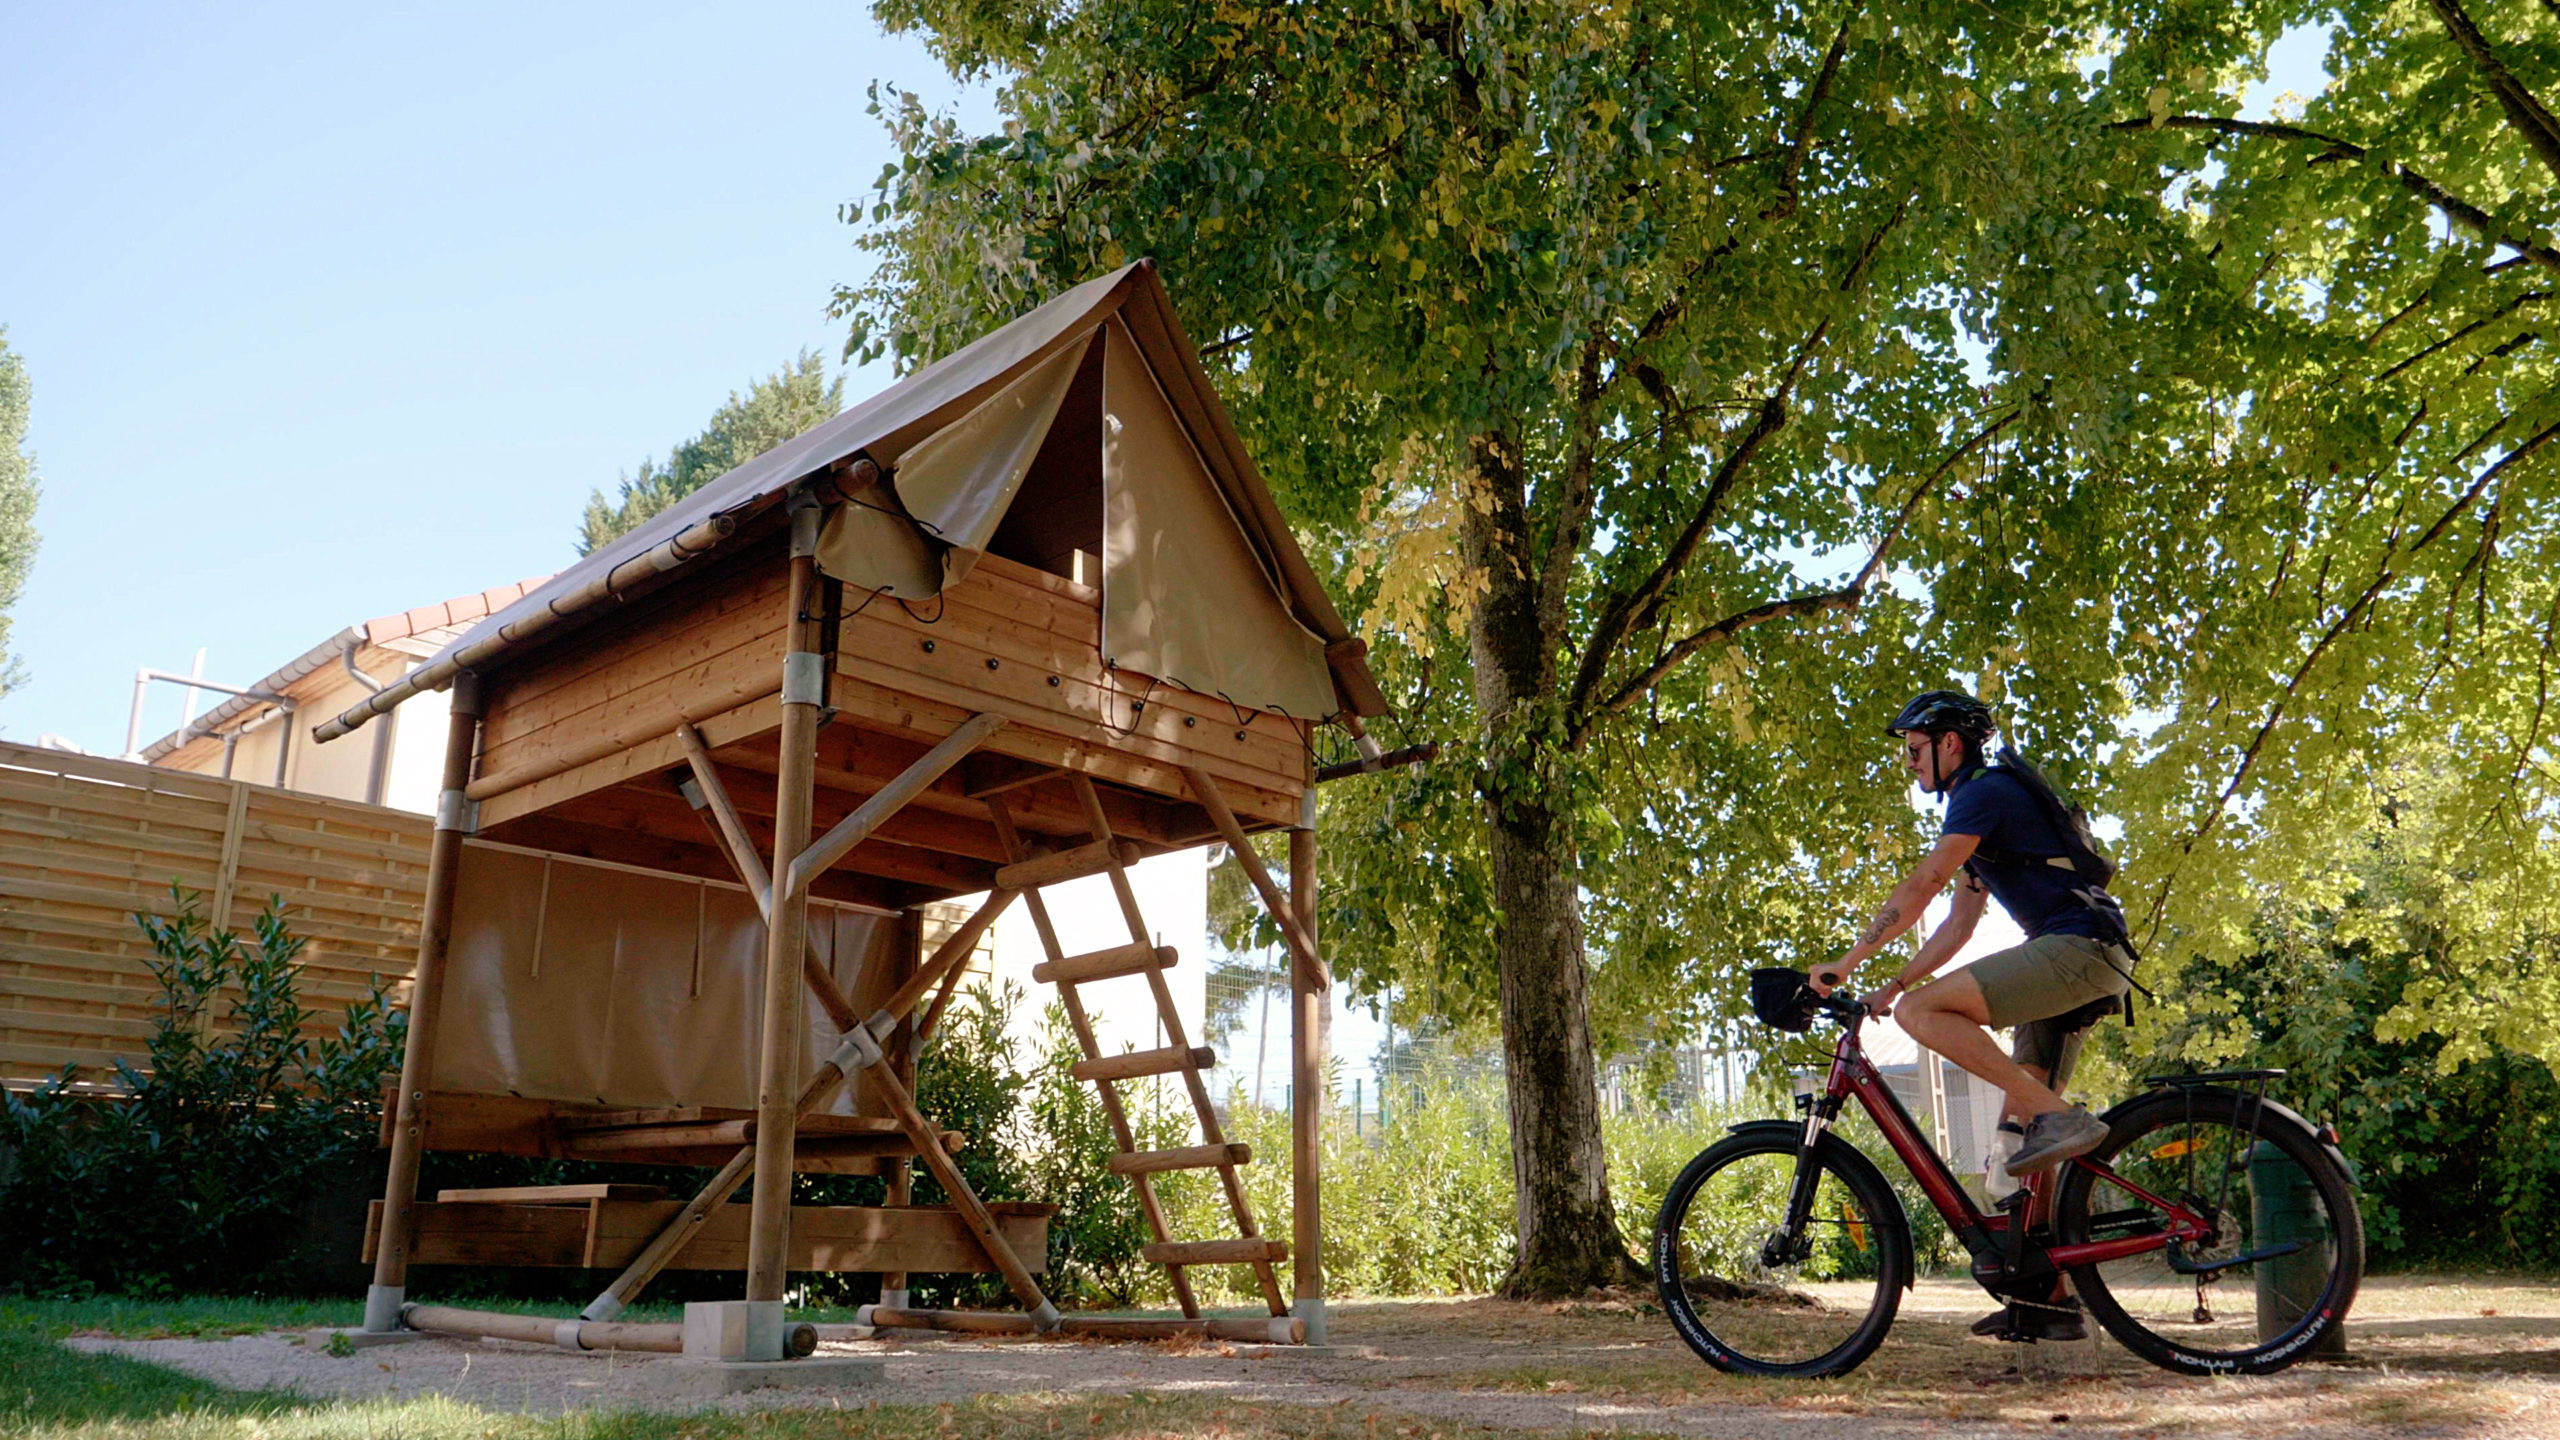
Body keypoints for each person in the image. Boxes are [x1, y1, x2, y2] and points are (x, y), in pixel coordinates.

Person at [1810, 689, 2136, 1342]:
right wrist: (1893, 979)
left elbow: (1922, 883)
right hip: (2078, 950)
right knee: (2016, 1154)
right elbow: (1958, 920)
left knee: (1924, 1014)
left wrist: (1844, 965)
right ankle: (2049, 1300)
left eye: (1913, 750)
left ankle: (2059, 1115)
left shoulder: (1979, 793)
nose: (1909, 763)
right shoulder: (1990, 808)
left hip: (2077, 948)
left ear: (1948, 743)